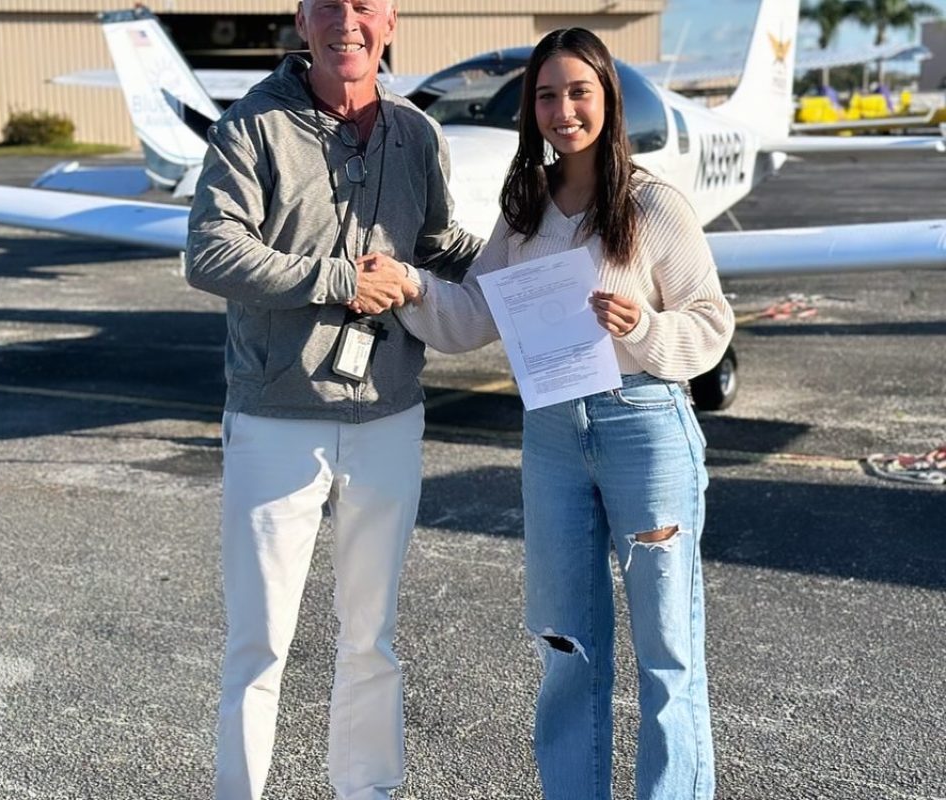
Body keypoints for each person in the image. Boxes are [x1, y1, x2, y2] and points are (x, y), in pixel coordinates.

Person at [389, 27, 734, 800]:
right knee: (567, 645)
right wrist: (411, 287)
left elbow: (711, 326)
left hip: (643, 430)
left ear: (607, 100)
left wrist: (641, 325)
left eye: (579, 92)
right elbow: (474, 313)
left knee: (668, 652)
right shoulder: (524, 209)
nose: (562, 109)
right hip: (550, 438)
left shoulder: (652, 203)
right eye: (546, 95)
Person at [184, 0, 482, 797]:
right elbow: (210, 252)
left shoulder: (418, 134)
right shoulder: (251, 126)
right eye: (326, 4)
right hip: (276, 420)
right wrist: (340, 280)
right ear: (300, 19)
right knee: (259, 645)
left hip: (390, 416)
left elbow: (441, 246)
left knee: (372, 639)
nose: (344, 20)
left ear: (390, 20)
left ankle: (368, 790)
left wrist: (550, 263)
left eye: (363, 5)